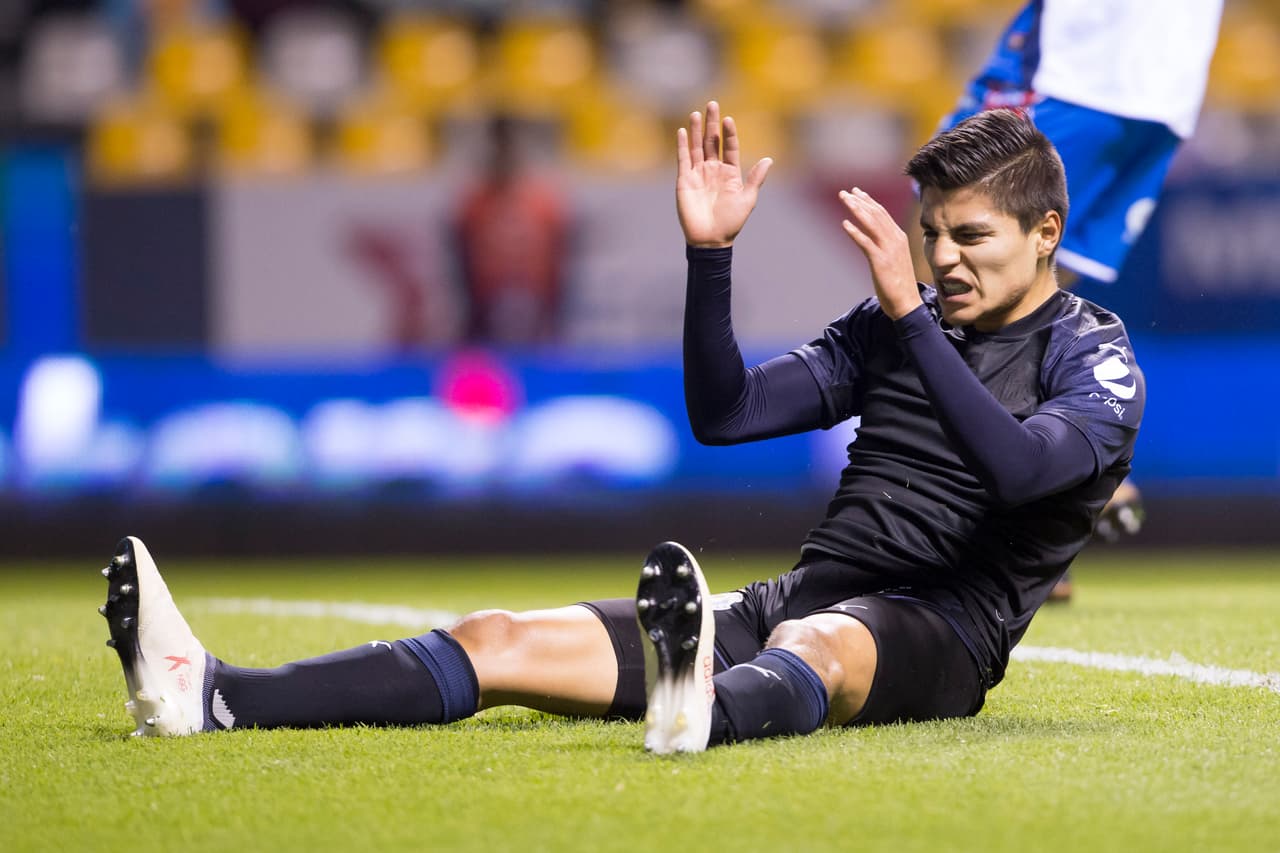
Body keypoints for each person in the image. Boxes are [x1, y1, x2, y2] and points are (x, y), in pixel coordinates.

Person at [99, 103, 1143, 752]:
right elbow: (724, 413)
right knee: (495, 638)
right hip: (792, 601)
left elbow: (1015, 472)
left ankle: (703, 705)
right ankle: (216, 695)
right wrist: (709, 259)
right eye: (931, 235)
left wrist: (911, 319)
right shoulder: (891, 326)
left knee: (813, 643)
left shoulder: (1090, 357)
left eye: (971, 236)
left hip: (935, 638)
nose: (943, 257)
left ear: (1046, 232)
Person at [937, 0, 1223, 598]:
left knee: (953, 218)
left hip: (1089, 68)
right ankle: (1045, 504)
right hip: (1166, 89)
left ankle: (979, 518)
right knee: (1038, 273)